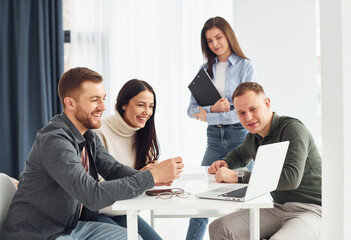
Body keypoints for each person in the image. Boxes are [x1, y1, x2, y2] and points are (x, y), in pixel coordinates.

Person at [0, 67, 184, 240]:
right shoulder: (54, 140)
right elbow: (91, 195)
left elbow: (113, 170)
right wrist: (151, 177)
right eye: (94, 100)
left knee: (133, 237)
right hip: (40, 233)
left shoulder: (88, 136)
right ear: (70, 103)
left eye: (103, 98)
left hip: (72, 227)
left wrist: (152, 177)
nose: (103, 107)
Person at [208, 82, 322, 240]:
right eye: (241, 113)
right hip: (277, 207)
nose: (248, 117)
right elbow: (240, 155)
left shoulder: (292, 129)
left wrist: (238, 176)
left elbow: (291, 178)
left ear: (267, 103)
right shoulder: (255, 136)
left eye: (253, 109)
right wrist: (225, 162)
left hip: (312, 210)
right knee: (219, 228)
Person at [186, 16, 256, 240]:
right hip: (214, 138)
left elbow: (247, 111)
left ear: (228, 36)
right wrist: (213, 109)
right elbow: (191, 110)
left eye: (219, 37)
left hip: (241, 136)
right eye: (209, 41)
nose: (215, 44)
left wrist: (212, 114)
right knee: (202, 196)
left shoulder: (246, 66)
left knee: (250, 193)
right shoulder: (205, 69)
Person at [93, 79, 167, 240]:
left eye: (151, 106)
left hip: (124, 210)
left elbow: (143, 182)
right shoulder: (99, 133)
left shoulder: (142, 135)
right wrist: (142, 176)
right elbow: (96, 188)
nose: (147, 112)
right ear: (124, 104)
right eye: (141, 105)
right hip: (98, 212)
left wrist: (156, 178)